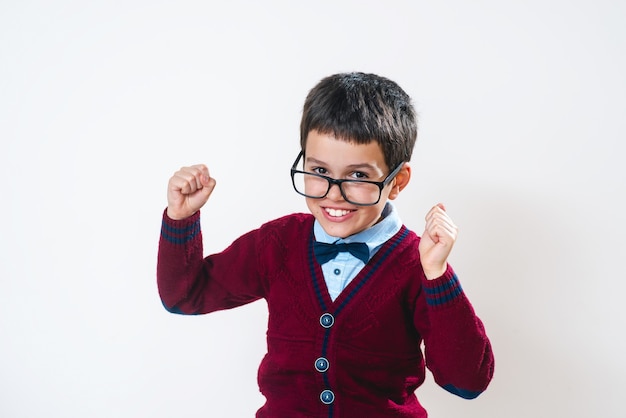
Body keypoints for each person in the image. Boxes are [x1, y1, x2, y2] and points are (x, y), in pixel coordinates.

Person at [157, 72, 494, 417]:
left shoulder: (417, 263)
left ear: (397, 182)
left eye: (359, 176)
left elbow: (467, 381)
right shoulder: (278, 243)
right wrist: (181, 219)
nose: (334, 193)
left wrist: (437, 274)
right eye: (318, 171)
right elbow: (185, 296)